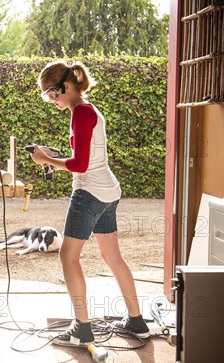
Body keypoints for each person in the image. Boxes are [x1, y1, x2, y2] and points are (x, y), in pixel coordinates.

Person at [29, 60, 150, 346]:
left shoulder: (80, 114)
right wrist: (53, 160)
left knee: (68, 257)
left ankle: (82, 328)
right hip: (108, 192)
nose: (50, 100)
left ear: (65, 87)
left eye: (50, 93)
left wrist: (45, 159)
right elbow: (84, 160)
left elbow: (80, 165)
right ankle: (136, 321)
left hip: (90, 194)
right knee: (112, 257)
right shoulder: (88, 110)